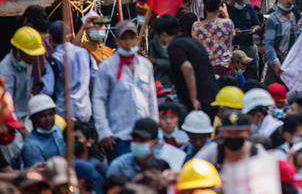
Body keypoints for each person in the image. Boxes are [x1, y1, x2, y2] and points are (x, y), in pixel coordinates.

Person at [92, 21, 158, 161]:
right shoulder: (106, 67)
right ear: (117, 41)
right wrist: (103, 131)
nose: (128, 42)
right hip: (118, 134)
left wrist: (155, 128)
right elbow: (98, 100)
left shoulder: (146, 65)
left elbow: (152, 99)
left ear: (136, 39)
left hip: (144, 133)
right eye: (124, 38)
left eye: (131, 38)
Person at [155, 14, 218, 116]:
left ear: (163, 34)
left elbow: (187, 68)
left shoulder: (175, 46)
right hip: (211, 95)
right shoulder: (191, 42)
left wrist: (193, 99)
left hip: (200, 101)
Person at [42, 21, 95, 123]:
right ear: (70, 35)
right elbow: (95, 80)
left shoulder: (53, 60)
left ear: (51, 39)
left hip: (64, 115)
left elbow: (48, 90)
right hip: (85, 113)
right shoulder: (85, 54)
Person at [0, 26, 46, 120]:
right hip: (13, 121)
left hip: (26, 115)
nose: (33, 58)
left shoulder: (26, 62)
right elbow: (6, 108)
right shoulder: (5, 72)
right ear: (17, 51)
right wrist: (21, 129)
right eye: (30, 55)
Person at [192, 0, 235, 76]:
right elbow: (232, 35)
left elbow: (196, 46)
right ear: (219, 6)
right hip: (224, 66)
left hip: (205, 67)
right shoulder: (227, 23)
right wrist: (225, 14)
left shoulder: (196, 26)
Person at [264, 0, 298, 81]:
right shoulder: (273, 19)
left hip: (289, 64)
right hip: (276, 66)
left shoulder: (292, 16)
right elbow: (268, 44)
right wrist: (275, 61)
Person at [21, 95, 65, 167]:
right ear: (33, 119)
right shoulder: (31, 146)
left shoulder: (57, 130)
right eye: (42, 116)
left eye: (50, 114)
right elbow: (39, 173)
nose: (48, 119)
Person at [227, 0, 261, 80]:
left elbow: (257, 24)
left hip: (248, 45)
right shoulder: (227, 9)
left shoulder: (248, 7)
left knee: (252, 71)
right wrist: (233, 31)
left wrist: (254, 29)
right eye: (239, 1)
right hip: (233, 46)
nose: (242, 3)